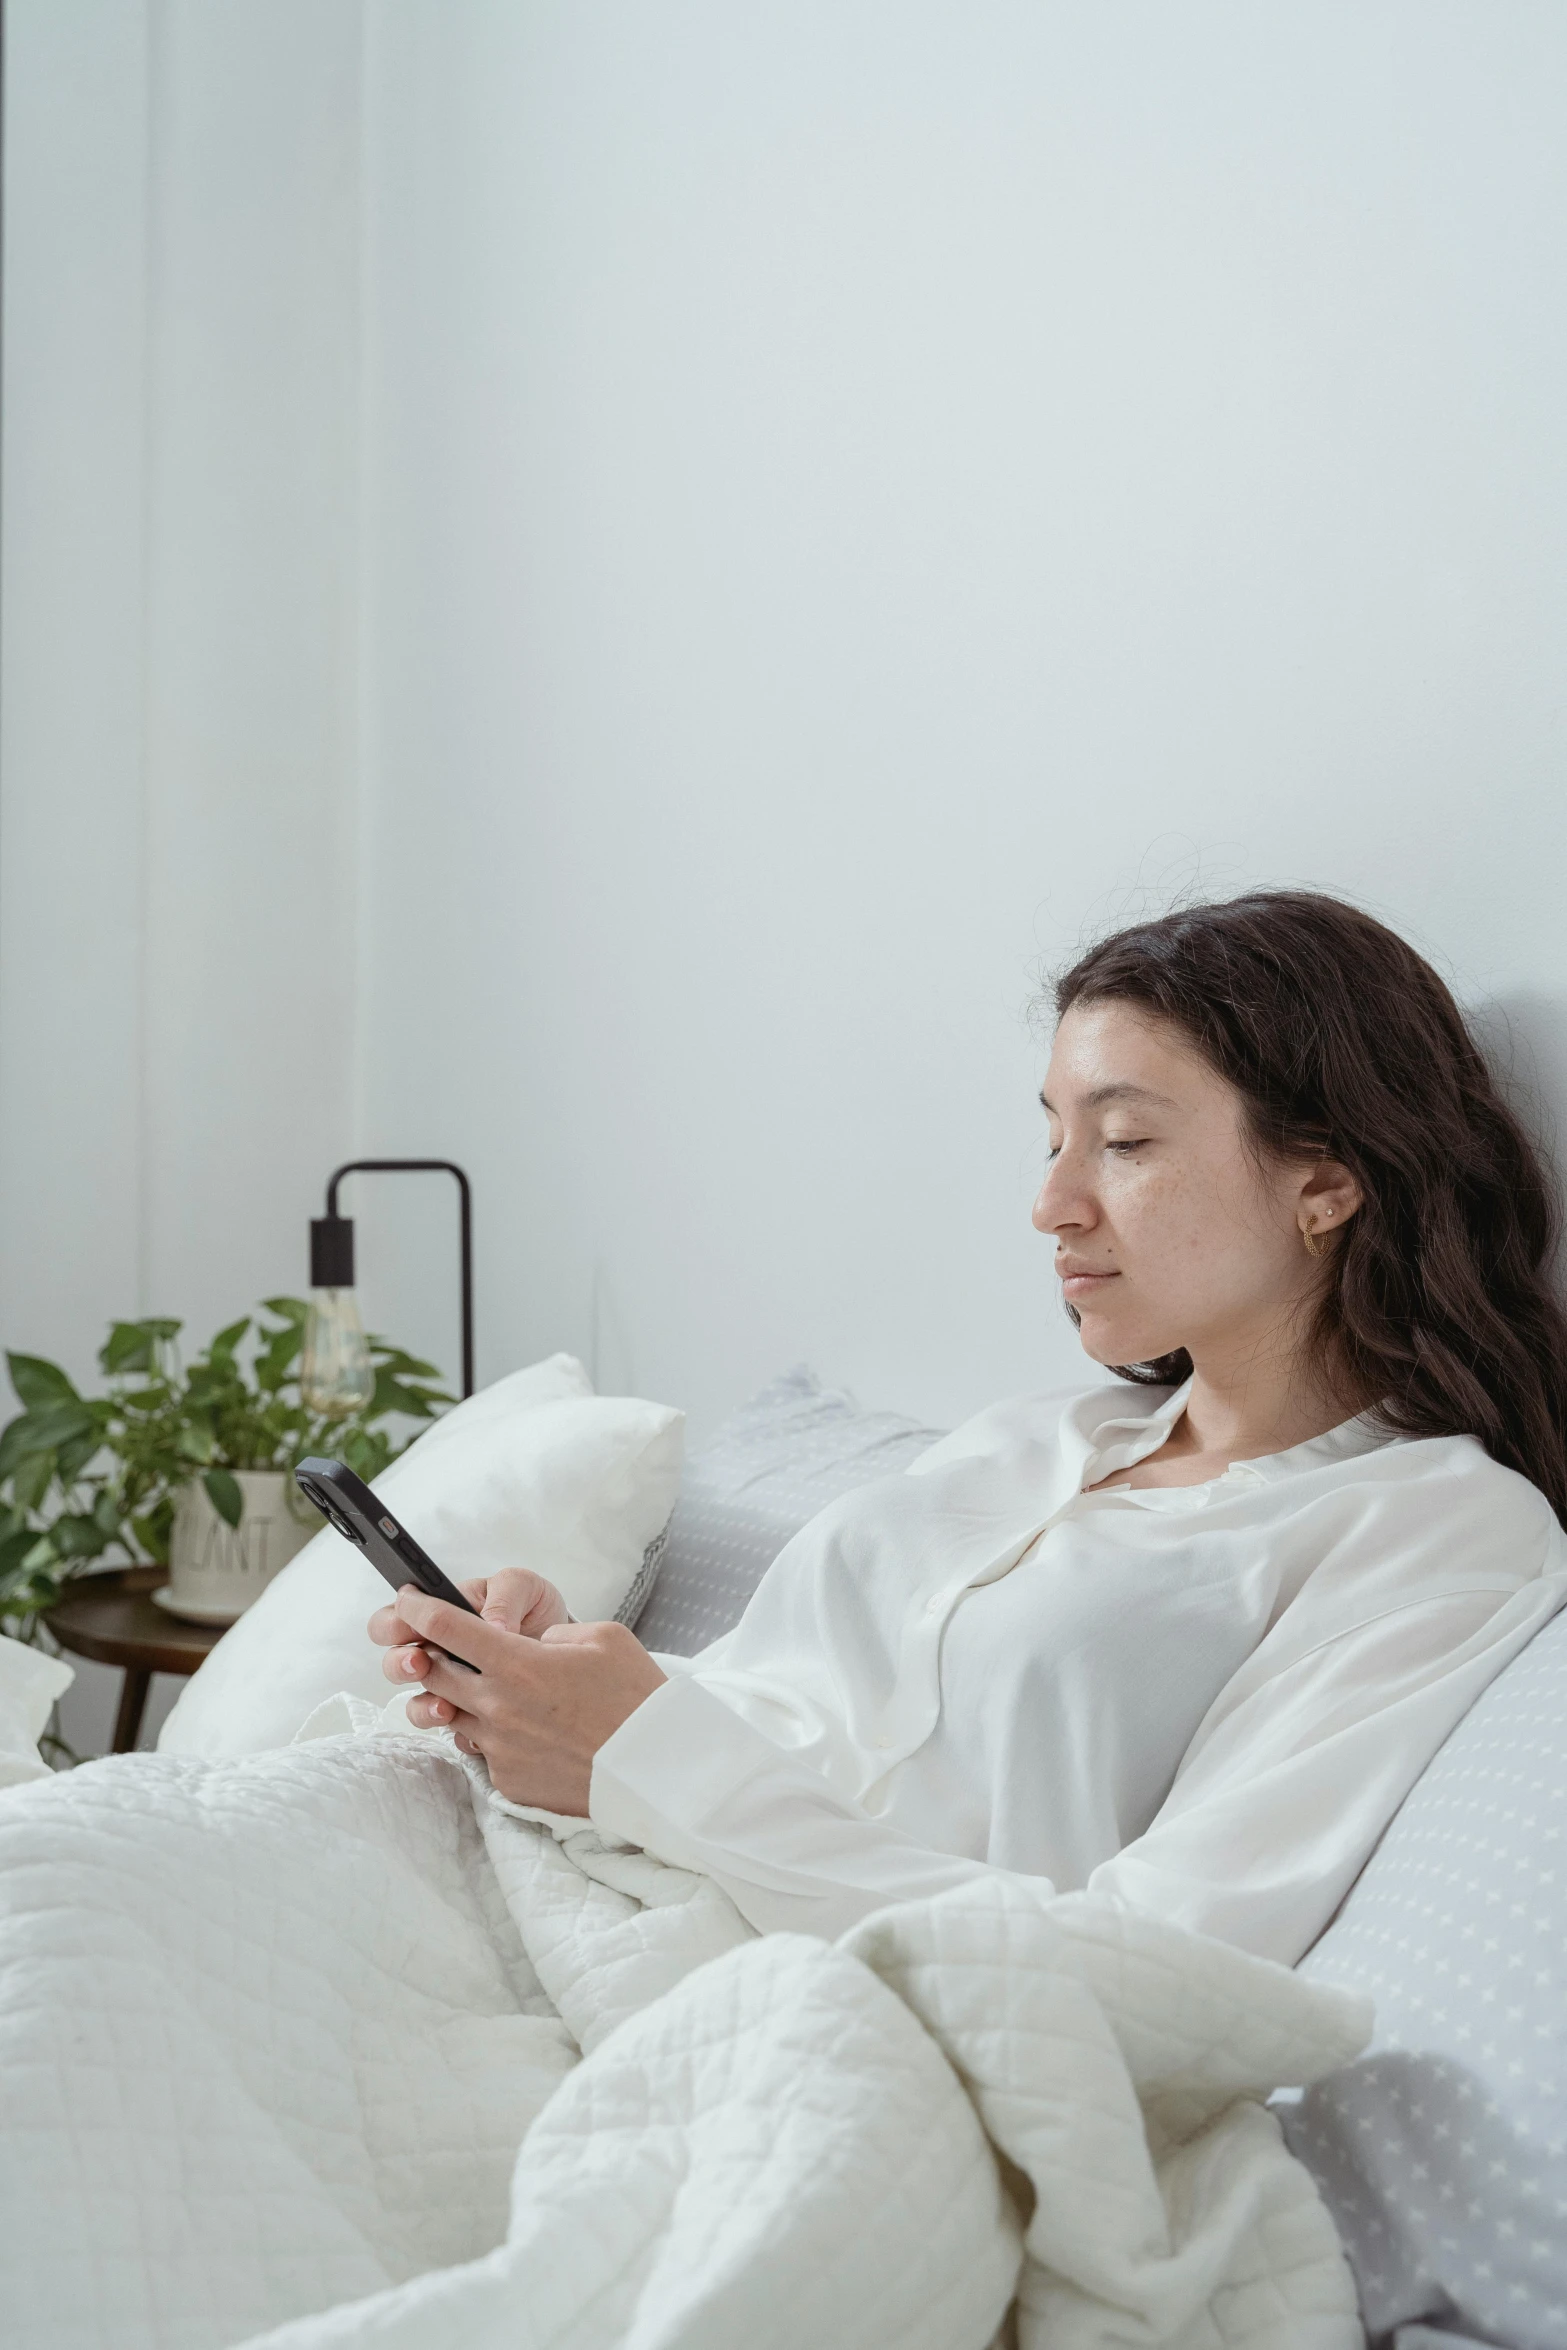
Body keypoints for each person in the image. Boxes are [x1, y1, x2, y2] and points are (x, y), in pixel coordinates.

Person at [370, 892, 1567, 1964]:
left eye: (1125, 1141)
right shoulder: (1032, 1440)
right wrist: (561, 1687)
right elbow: (780, 1721)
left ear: (1326, 1181)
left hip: (766, 1986)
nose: (1051, 1202)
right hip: (565, 1871)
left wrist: (647, 1758)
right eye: (1053, 1137)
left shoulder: (1435, 1530)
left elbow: (1163, 1961)